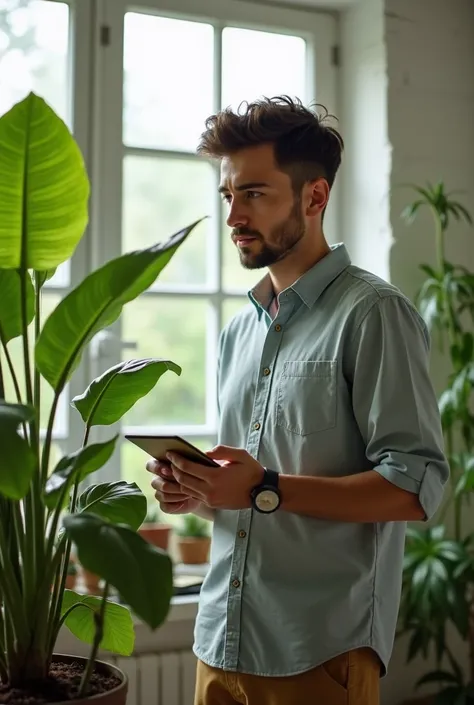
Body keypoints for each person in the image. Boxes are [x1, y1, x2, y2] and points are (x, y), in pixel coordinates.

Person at [147, 96, 449, 705]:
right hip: (219, 643)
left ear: (314, 197)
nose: (234, 215)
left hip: (318, 650)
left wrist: (264, 488)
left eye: (254, 193)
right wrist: (203, 491)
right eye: (228, 195)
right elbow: (253, 505)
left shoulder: (374, 314)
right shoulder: (240, 331)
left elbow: (416, 489)